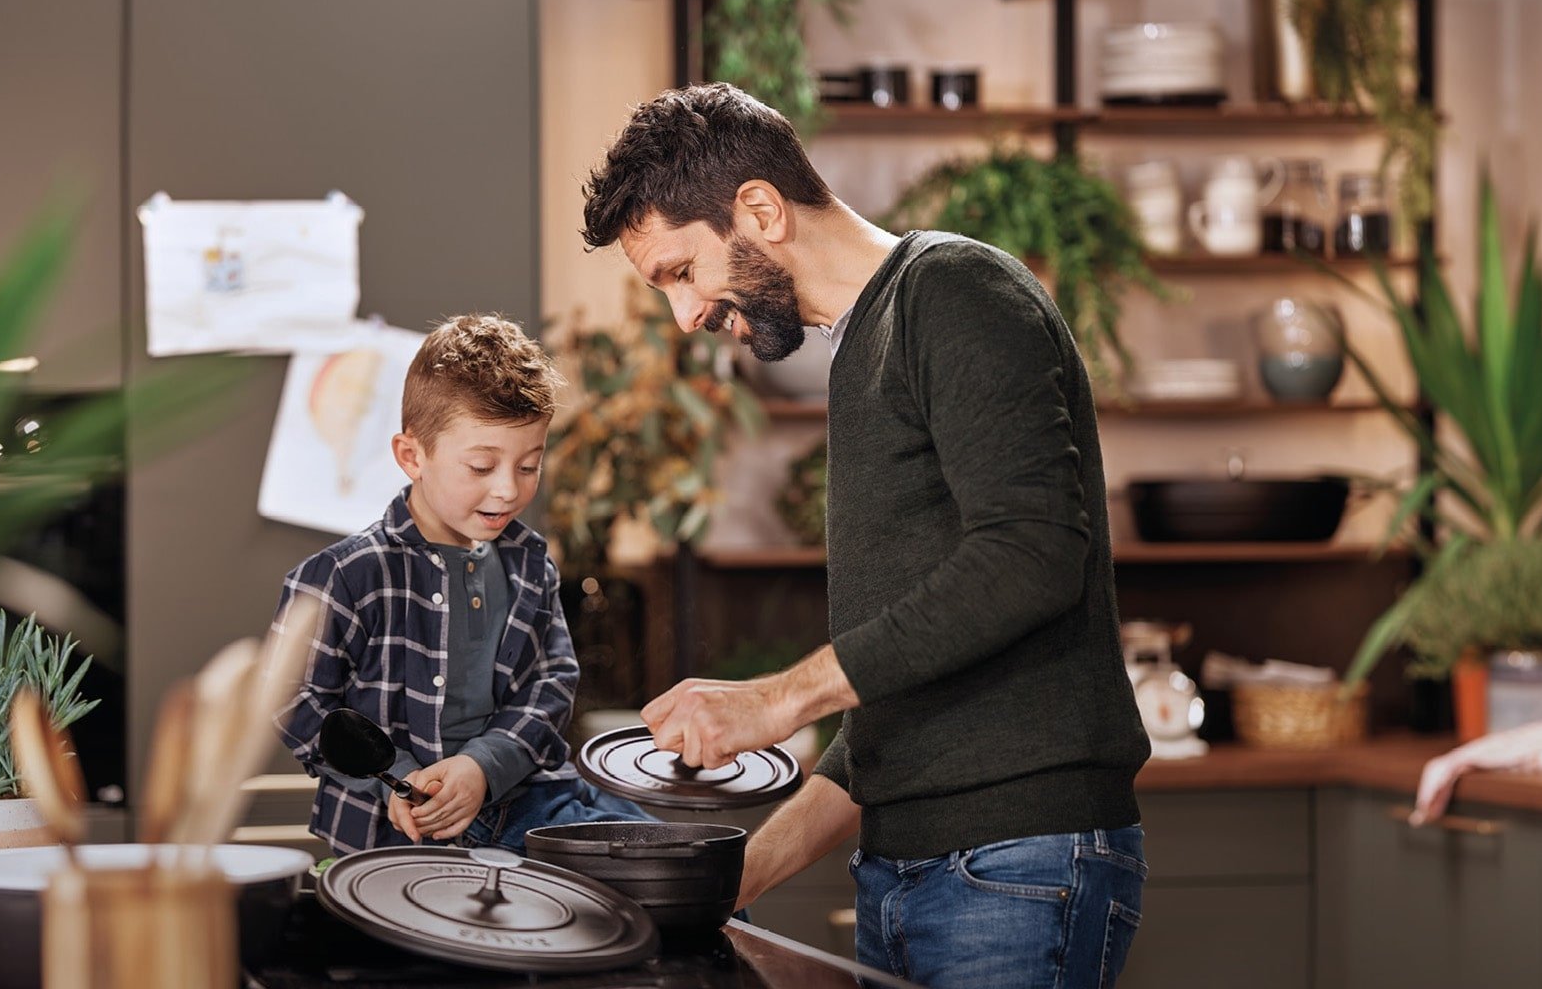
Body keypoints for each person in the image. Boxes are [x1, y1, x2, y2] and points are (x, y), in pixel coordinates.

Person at [580, 83, 1151, 988]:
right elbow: (895, 710)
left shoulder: (955, 293)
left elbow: (1033, 554)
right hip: (912, 875)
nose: (685, 317)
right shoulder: (862, 346)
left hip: (1015, 867)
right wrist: (731, 884)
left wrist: (774, 700)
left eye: (681, 274)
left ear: (759, 210)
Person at [274, 314, 652, 855]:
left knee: (691, 867)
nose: (507, 490)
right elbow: (292, 696)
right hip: (397, 833)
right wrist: (395, 778)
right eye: (480, 466)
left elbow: (550, 684)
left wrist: (482, 766)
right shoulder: (344, 575)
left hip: (528, 801)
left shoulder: (530, 565)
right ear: (412, 456)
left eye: (528, 466)